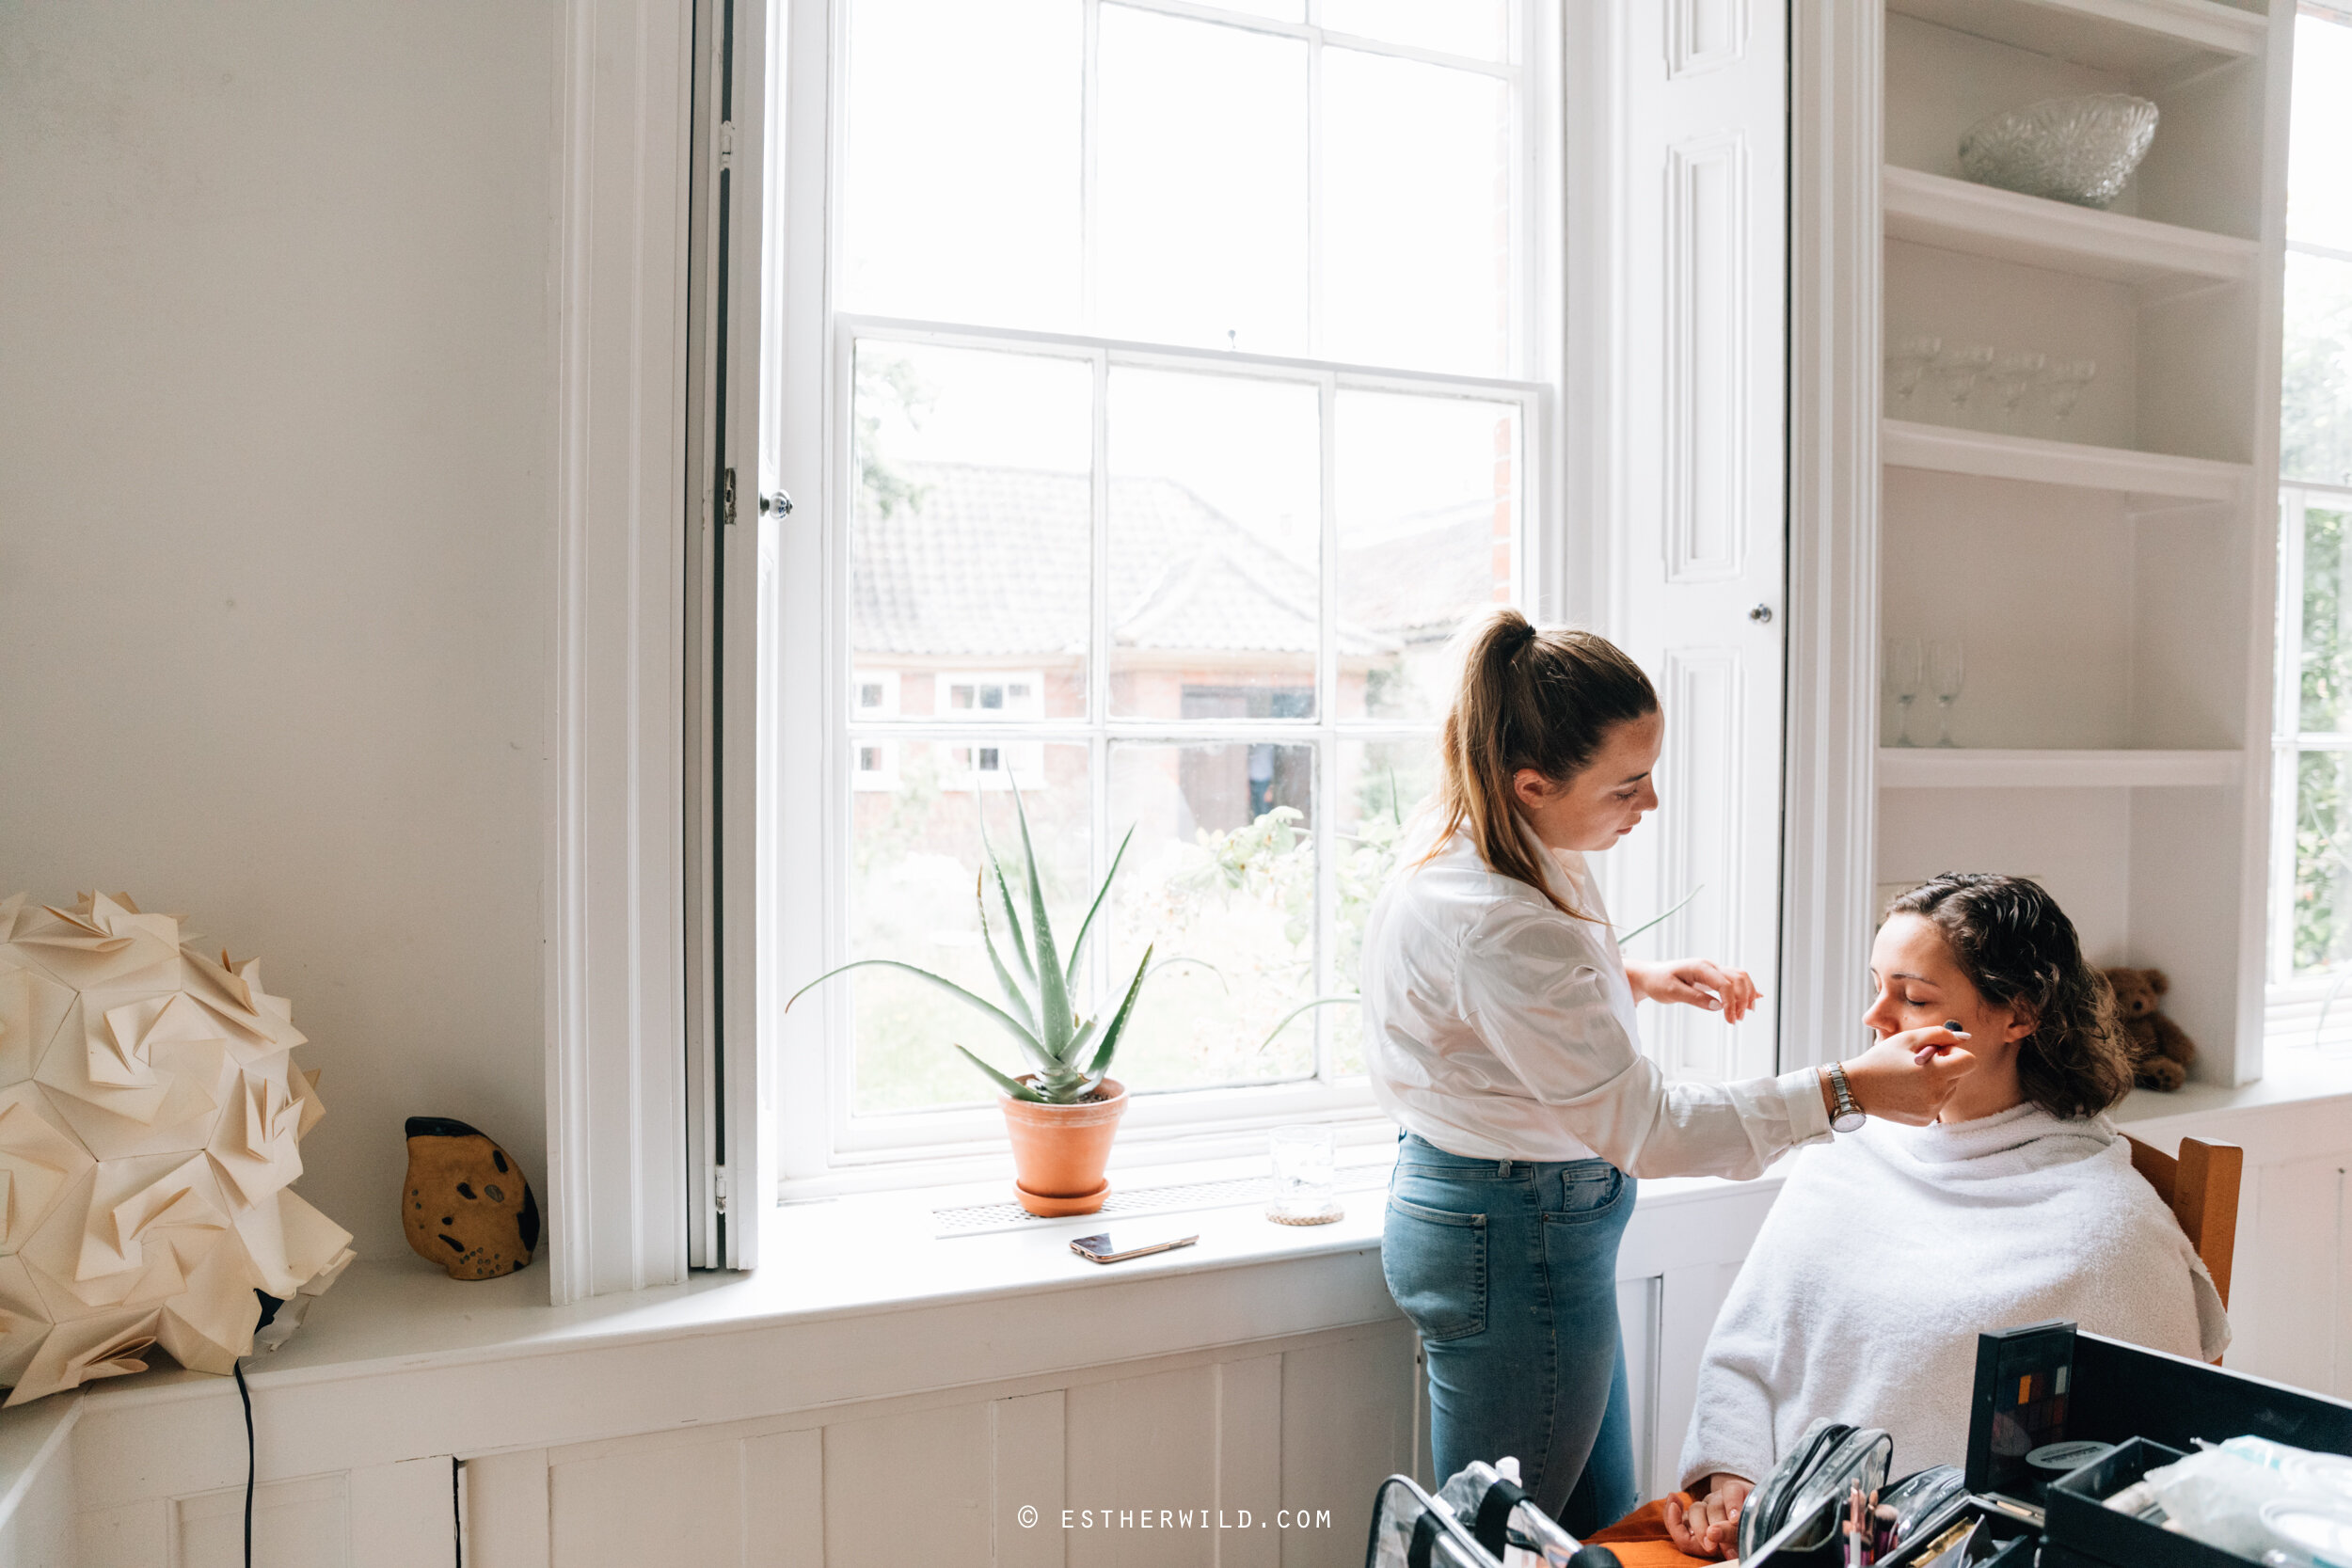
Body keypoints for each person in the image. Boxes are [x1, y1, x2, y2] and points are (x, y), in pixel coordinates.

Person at [1362, 610, 1982, 1536]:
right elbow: (1647, 1127)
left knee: (1595, 1535)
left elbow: (1473, 1007)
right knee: (1499, 1546)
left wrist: (1628, 979)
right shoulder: (1504, 923)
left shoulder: (1472, 827)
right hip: (1517, 1238)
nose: (1647, 805)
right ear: (1530, 783)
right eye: (1628, 784)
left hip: (1514, 1225)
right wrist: (1849, 1087)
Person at [1604, 874, 2231, 1563]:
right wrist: (1736, 1481)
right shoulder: (1850, 1149)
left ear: (2019, 1015)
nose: (1876, 1017)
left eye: (1915, 997)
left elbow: (2138, 1467)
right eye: (1877, 985)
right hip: (1769, 1532)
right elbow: (1750, 1349)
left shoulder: (2108, 1232)